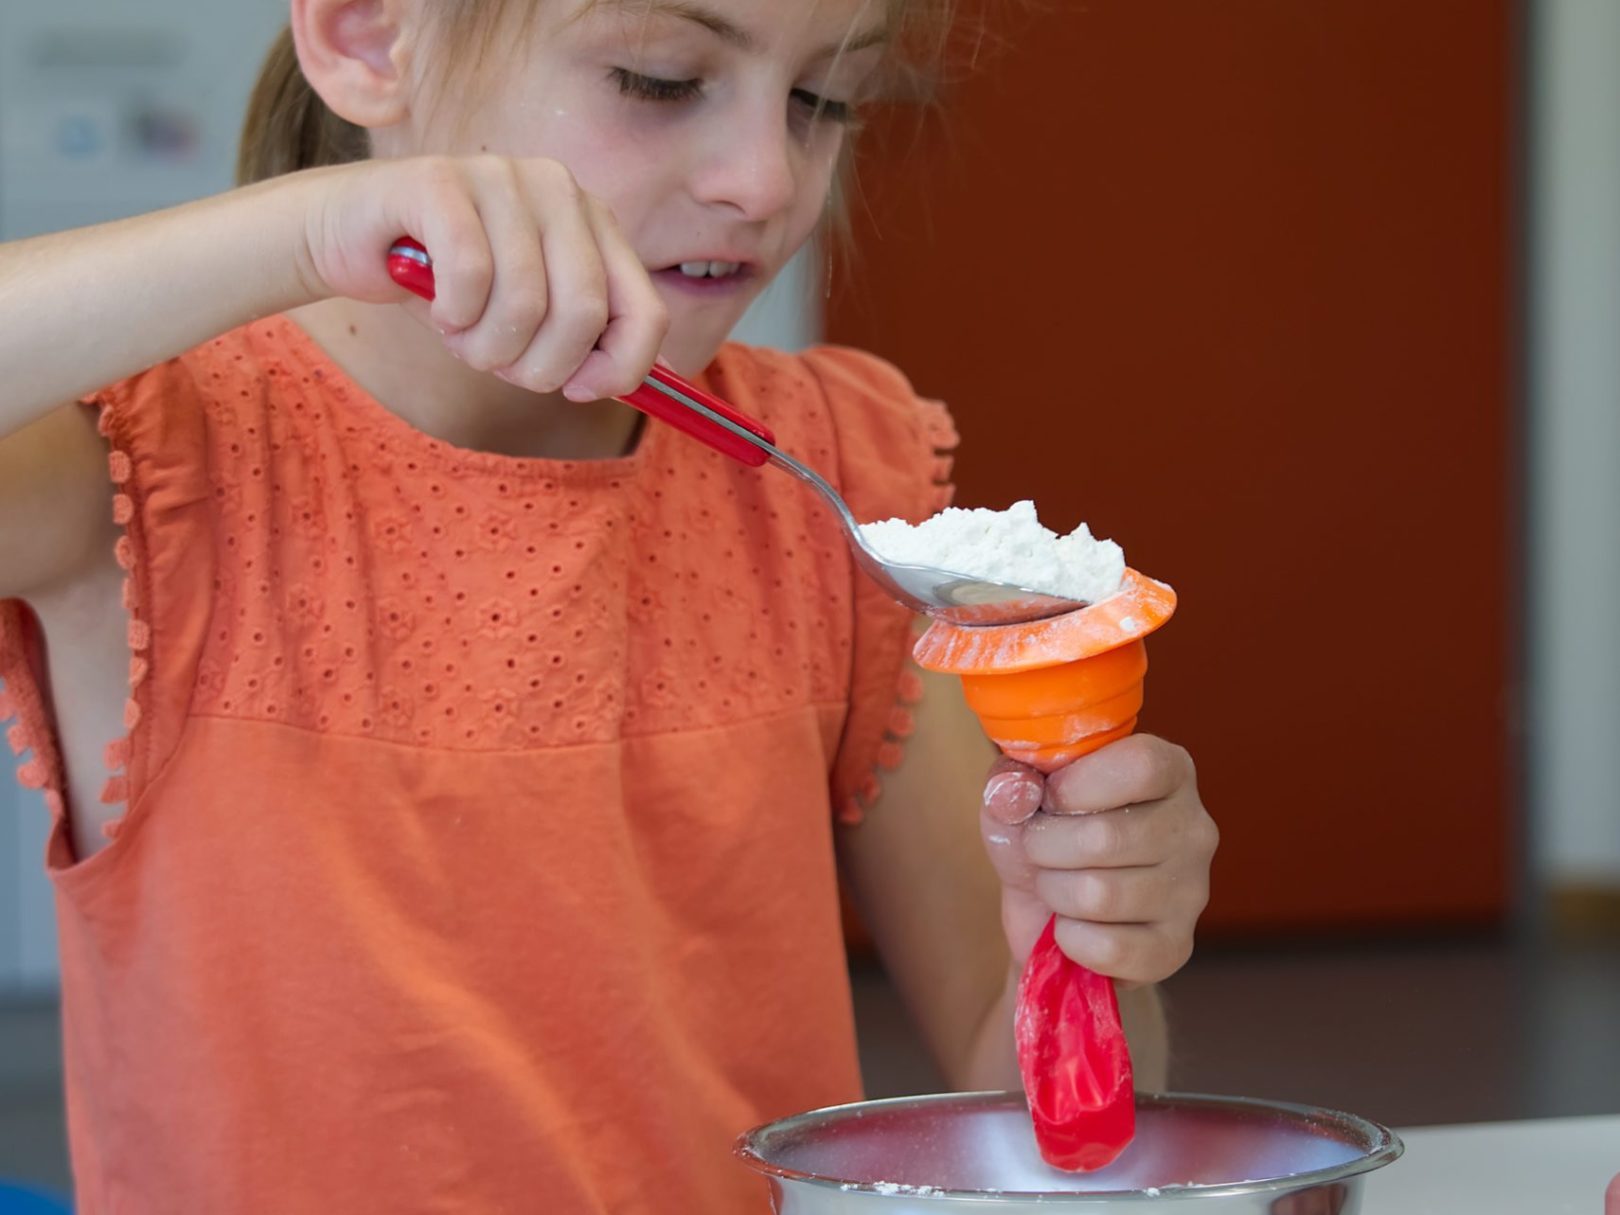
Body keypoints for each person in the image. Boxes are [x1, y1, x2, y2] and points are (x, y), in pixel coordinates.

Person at [0, 0, 1217, 1209]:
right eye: (658, 78)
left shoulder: (837, 480)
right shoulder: (149, 462)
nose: (764, 182)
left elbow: (1053, 1122)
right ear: (371, 38)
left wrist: (1087, 940)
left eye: (823, 100)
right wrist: (308, 232)